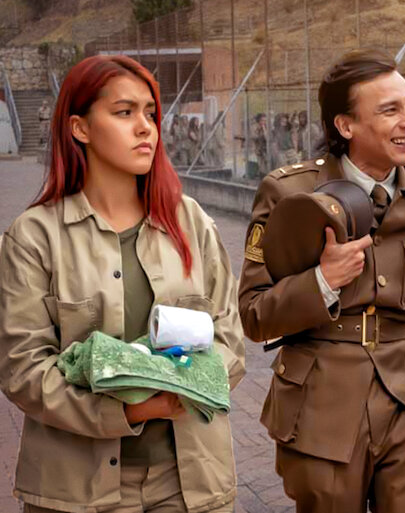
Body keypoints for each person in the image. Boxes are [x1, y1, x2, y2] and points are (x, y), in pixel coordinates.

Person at [0, 55, 245, 513]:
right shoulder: (34, 237)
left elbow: (229, 338)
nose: (145, 127)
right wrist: (128, 409)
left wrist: (184, 383)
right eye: (124, 112)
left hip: (191, 483)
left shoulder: (189, 222)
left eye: (150, 113)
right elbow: (24, 370)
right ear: (80, 128)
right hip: (76, 490)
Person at [238, 48, 405, 513]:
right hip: (322, 405)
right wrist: (322, 281)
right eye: (389, 110)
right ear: (345, 125)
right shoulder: (289, 193)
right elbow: (254, 314)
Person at [252, 113, 268, 178]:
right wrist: (260, 132)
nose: (264, 122)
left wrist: (264, 129)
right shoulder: (255, 127)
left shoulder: (266, 128)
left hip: (266, 149)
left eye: (265, 120)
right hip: (259, 149)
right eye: (262, 120)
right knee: (262, 166)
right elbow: (254, 137)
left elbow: (267, 138)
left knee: (267, 164)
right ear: (258, 121)